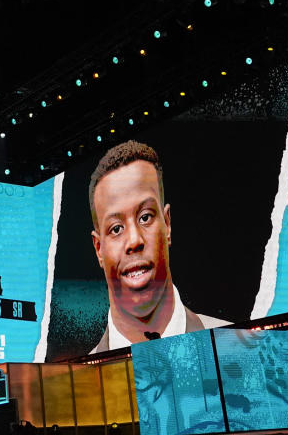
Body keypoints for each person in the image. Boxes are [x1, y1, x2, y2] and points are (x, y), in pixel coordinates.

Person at [88, 140, 228, 353]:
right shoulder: (79, 380)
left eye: (145, 217)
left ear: (167, 224)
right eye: (116, 229)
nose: (134, 240)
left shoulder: (239, 345)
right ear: (99, 248)